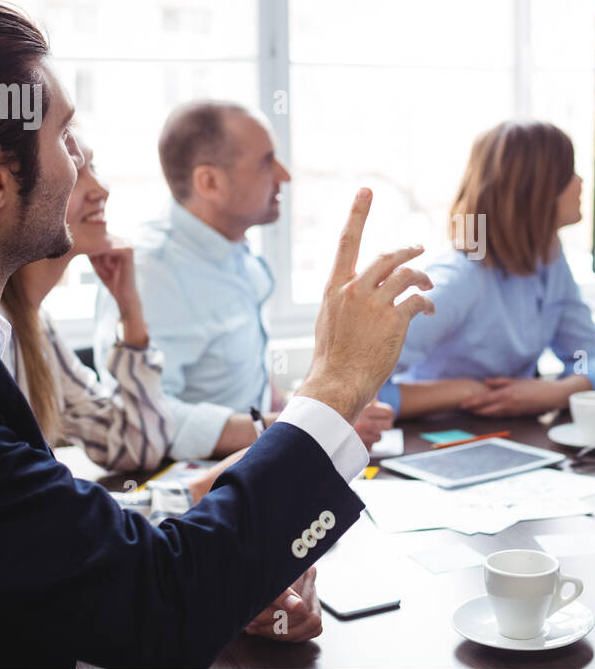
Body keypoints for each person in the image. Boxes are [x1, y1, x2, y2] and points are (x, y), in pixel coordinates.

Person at [0, 0, 434, 667]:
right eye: (66, 139)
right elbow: (155, 612)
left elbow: (31, 544)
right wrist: (336, 382)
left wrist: (227, 571)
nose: (81, 171)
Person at [1, 138, 387, 475]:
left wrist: (132, 317)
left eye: (94, 167)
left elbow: (135, 446)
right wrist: (297, 424)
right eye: (75, 165)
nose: (102, 188)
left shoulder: (38, 327)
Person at [93, 99, 393, 441]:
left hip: (253, 465)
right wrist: (296, 428)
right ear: (209, 182)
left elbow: (244, 382)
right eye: (266, 162)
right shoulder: (151, 273)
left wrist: (310, 411)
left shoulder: (237, 252)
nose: (285, 175)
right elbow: (147, 420)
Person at [377, 120, 595, 419]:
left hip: (508, 437)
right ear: (535, 190)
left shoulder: (549, 262)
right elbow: (360, 390)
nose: (580, 182)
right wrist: (464, 392)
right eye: (568, 172)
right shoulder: (457, 280)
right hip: (434, 441)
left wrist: (559, 391)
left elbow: (585, 356)